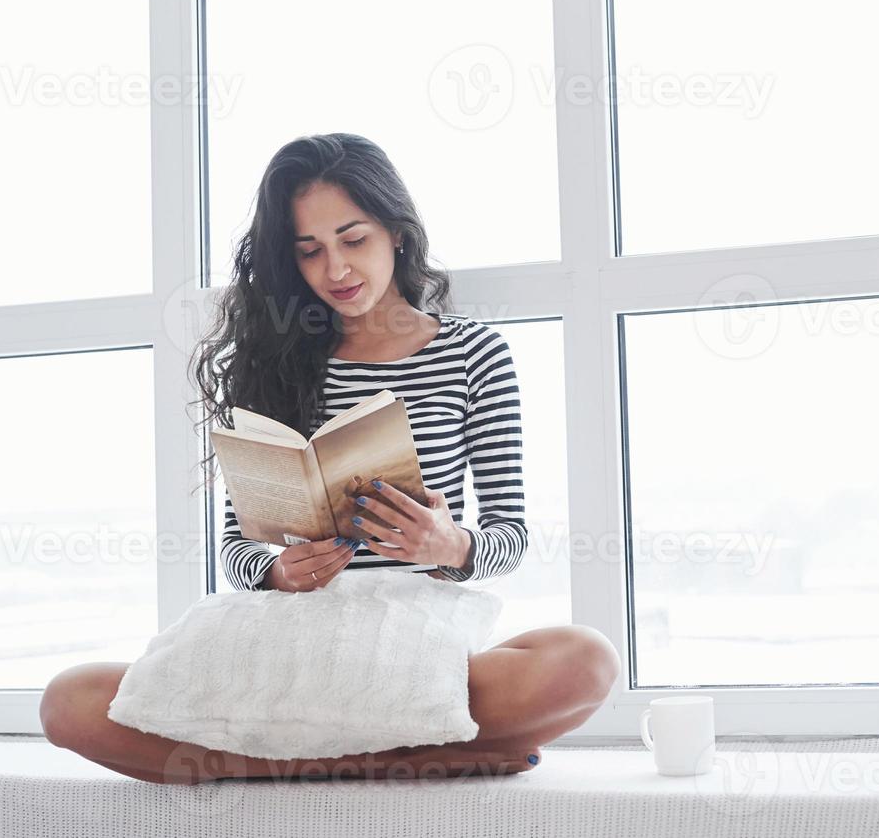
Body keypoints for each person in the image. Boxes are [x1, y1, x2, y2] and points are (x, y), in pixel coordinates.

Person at [38, 132, 620, 784]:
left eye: (353, 240)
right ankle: (403, 759)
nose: (335, 270)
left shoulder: (474, 355)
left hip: (407, 640)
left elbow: (509, 538)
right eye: (309, 251)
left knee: (585, 660)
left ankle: (276, 763)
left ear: (395, 232)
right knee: (68, 702)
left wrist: (449, 544)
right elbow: (237, 548)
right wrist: (277, 572)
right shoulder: (271, 361)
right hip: (288, 637)